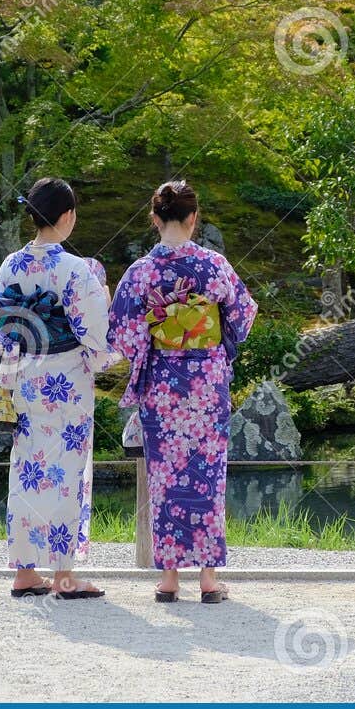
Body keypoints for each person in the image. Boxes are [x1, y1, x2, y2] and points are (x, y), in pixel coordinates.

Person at [109, 180, 257, 603]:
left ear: (155, 220)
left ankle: (170, 580)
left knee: (166, 478)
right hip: (207, 384)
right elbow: (243, 317)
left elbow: (122, 333)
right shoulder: (214, 266)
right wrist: (210, 334)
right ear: (194, 218)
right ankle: (209, 580)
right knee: (207, 476)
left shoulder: (141, 273)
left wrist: (159, 333)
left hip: (162, 384)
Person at [0, 178, 111, 600]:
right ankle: (65, 576)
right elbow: (96, 335)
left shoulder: (11, 265)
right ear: (67, 216)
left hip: (26, 378)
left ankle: (24, 571)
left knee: (27, 471)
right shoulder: (76, 269)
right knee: (66, 472)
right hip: (68, 381)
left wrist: (14, 349)